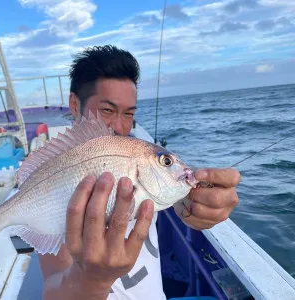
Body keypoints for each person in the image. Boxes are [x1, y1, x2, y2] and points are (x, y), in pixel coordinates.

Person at [38, 45, 241, 299]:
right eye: (108, 111)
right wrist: (91, 281)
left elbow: (171, 199)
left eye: (129, 114)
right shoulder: (53, 174)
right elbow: (51, 290)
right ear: (74, 105)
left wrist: (197, 202)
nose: (120, 127)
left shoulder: (134, 157)